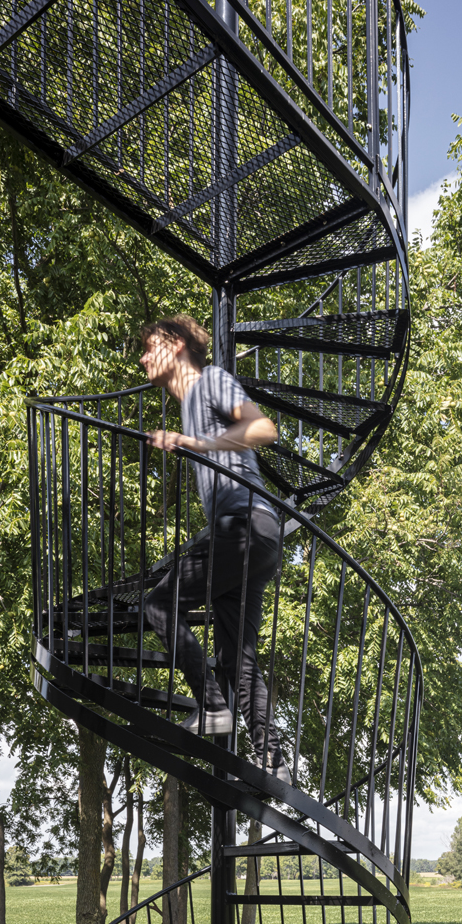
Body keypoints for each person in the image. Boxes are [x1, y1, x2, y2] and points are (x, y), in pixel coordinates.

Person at [139, 314, 291, 785]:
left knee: (159, 604)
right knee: (235, 660)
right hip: (253, 539)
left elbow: (266, 429)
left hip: (245, 526)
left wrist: (197, 443)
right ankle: (275, 760)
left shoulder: (211, 383)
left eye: (149, 347)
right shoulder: (188, 406)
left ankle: (212, 708)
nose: (143, 358)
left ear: (177, 344)